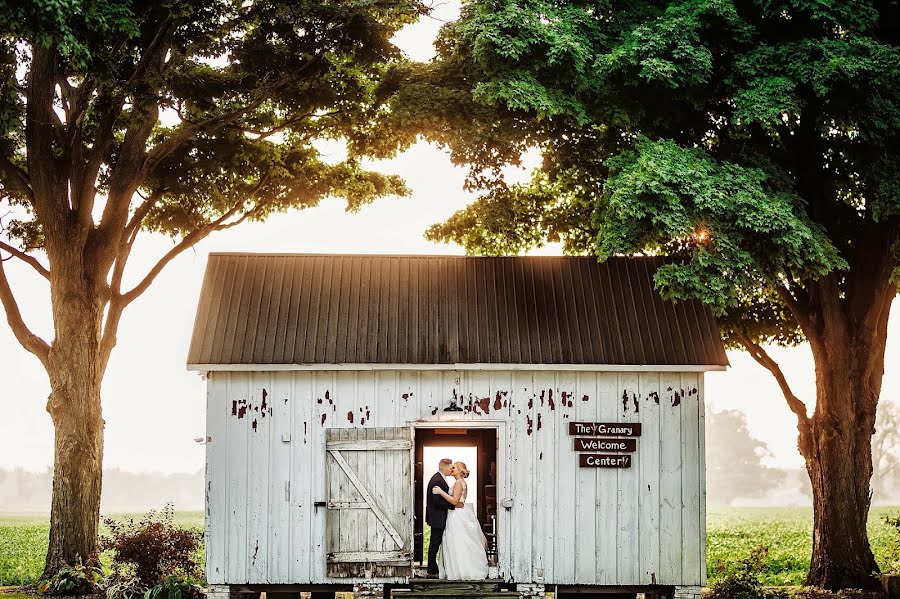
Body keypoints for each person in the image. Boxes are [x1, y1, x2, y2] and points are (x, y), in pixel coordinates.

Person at [431, 461, 489, 580]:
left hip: (457, 515)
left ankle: (461, 570)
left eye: (455, 468)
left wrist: (441, 492)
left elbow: (454, 501)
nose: (452, 469)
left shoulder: (458, 483)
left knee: (457, 541)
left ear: (460, 471)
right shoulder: (460, 482)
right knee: (458, 541)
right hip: (457, 513)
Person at [425, 458, 460, 578]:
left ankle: (434, 569)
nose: (451, 470)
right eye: (450, 467)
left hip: (438, 517)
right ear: (444, 467)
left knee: (436, 542)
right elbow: (437, 502)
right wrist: (452, 506)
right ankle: (431, 571)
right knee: (434, 543)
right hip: (437, 517)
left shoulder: (439, 478)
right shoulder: (437, 480)